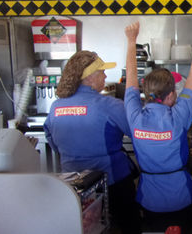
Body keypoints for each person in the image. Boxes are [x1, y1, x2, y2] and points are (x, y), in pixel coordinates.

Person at [123, 20, 192, 233]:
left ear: (146, 93)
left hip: (149, 199)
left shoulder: (135, 115)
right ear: (171, 95)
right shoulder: (179, 117)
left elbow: (131, 80)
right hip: (181, 197)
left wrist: (131, 41)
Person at [43, 50, 141, 234]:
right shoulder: (109, 105)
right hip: (112, 182)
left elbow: (53, 142)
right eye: (101, 71)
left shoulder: (56, 107)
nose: (105, 75)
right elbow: (138, 131)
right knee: (128, 227)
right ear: (88, 78)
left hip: (73, 188)